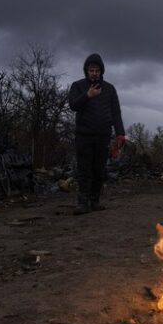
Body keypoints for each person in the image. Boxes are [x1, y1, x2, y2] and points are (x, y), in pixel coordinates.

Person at [68, 53, 125, 215]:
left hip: (103, 135)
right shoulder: (78, 86)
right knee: (84, 169)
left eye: (97, 70)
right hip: (84, 135)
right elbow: (73, 105)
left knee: (99, 169)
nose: (94, 73)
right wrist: (87, 96)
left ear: (101, 72)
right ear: (86, 71)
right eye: (91, 70)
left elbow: (116, 112)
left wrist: (120, 133)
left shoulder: (109, 89)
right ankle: (82, 203)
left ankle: (95, 201)